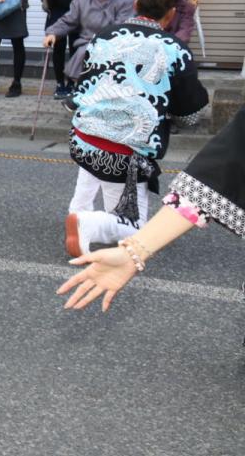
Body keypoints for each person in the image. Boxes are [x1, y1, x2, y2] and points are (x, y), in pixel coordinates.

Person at [63, 0, 209, 257]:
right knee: (137, 229)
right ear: (170, 14)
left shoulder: (104, 36)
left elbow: (82, 85)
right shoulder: (174, 50)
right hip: (125, 152)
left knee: (96, 154)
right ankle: (88, 223)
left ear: (137, 4)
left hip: (83, 138)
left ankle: (78, 213)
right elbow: (190, 114)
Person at [58, 102, 245, 312]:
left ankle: (83, 216)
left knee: (89, 186)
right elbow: (188, 106)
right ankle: (91, 222)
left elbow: (217, 174)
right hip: (131, 147)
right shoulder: (172, 65)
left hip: (84, 139)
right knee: (130, 213)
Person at [43, 0, 135, 85]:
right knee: (84, 53)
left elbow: (121, 26)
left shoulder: (125, 1)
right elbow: (68, 21)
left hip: (115, 45)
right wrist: (52, 33)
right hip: (87, 45)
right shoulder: (81, 2)